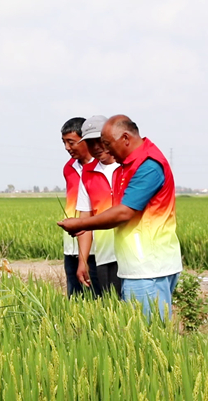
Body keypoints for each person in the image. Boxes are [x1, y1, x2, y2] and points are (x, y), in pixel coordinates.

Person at [58, 115, 182, 320]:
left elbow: (125, 212)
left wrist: (80, 224)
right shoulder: (126, 166)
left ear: (125, 138)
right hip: (133, 265)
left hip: (148, 268)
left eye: (107, 144)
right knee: (134, 327)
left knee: (149, 331)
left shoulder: (148, 165)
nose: (105, 150)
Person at [75, 115, 122, 296]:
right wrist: (83, 261)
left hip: (133, 254)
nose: (96, 147)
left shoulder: (128, 167)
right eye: (90, 143)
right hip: (105, 256)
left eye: (99, 140)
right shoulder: (87, 174)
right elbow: (85, 220)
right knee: (111, 305)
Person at [60, 117, 101, 296]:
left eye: (71, 142)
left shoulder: (102, 167)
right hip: (71, 247)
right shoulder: (69, 168)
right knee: (75, 299)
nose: (67, 147)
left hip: (98, 249)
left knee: (101, 299)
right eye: (64, 142)